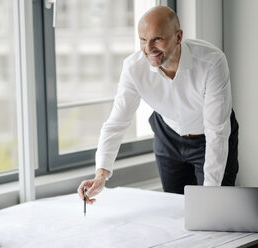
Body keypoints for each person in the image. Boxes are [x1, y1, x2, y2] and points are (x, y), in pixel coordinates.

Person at [78, 5, 239, 204]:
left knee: (214, 209)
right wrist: (100, 175)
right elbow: (116, 124)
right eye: (143, 40)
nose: (149, 48)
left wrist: (210, 198)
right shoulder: (133, 68)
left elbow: (217, 132)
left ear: (178, 37)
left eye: (157, 39)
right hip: (167, 137)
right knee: (174, 208)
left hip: (209, 138)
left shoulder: (212, 62)